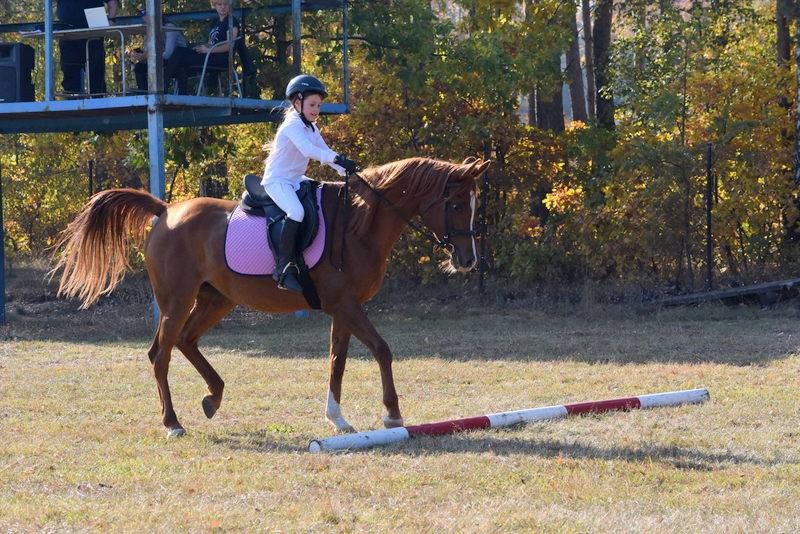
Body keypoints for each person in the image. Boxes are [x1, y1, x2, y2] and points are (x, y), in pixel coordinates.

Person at [262, 74, 358, 292]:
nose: (316, 110)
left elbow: (325, 151)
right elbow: (308, 150)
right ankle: (283, 268)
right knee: (296, 212)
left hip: (296, 180)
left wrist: (347, 170)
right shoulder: (292, 125)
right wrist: (335, 158)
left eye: (318, 105)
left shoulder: (312, 127)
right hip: (278, 181)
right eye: (312, 104)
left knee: (323, 194)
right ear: (298, 103)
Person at [165, 0, 240, 95]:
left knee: (181, 55)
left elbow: (229, 45)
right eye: (219, 4)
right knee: (180, 53)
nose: (222, 7)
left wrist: (208, 50)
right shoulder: (215, 22)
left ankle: (165, 82)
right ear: (215, 6)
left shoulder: (231, 22)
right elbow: (211, 43)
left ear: (229, 6)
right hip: (210, 54)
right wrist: (202, 47)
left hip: (221, 59)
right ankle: (181, 94)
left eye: (225, 4)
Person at [56, 0, 118, 95]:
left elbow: (112, 2)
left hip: (94, 31)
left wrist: (111, 20)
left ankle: (97, 100)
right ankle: (72, 101)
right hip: (68, 33)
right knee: (70, 73)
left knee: (96, 73)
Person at [130, 19, 188, 92]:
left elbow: (168, 54)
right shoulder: (149, 30)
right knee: (139, 67)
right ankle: (144, 93)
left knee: (163, 66)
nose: (144, 19)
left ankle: (162, 90)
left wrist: (148, 56)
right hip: (160, 60)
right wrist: (140, 56)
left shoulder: (169, 28)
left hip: (176, 61)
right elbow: (148, 52)